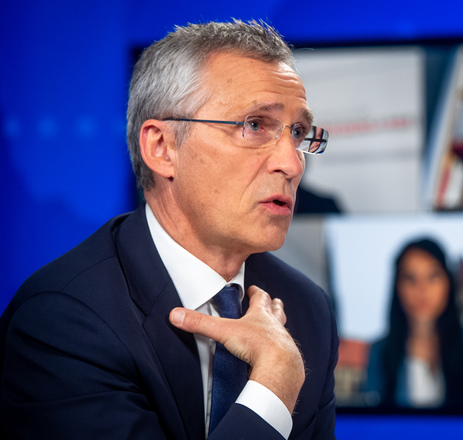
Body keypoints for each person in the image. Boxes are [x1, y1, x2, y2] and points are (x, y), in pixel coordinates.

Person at [0, 20, 337, 439]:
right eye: (254, 125)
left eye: (299, 133)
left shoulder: (308, 309)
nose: (292, 163)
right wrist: (272, 390)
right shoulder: (62, 320)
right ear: (162, 148)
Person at [363, 238, 463, 408]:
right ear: (398, 287)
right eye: (411, 278)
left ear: (448, 283)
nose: (422, 289)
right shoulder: (379, 351)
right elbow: (372, 423)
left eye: (433, 276)